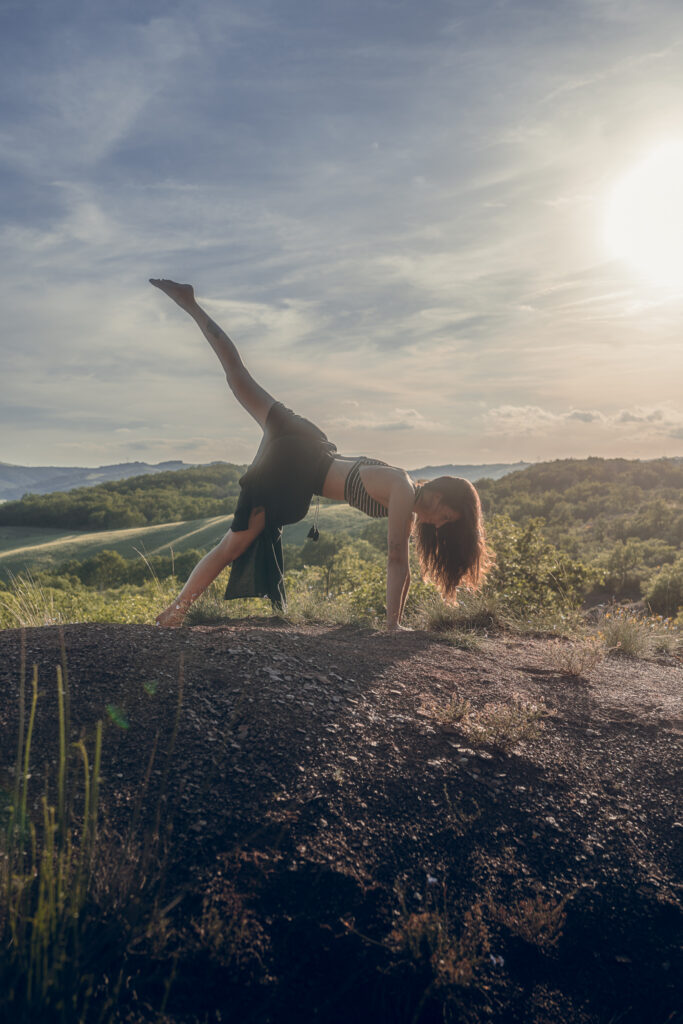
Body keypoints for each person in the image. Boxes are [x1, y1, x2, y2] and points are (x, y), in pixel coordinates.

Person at [150, 279, 490, 631]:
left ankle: (190, 304)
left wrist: (395, 624)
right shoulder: (404, 492)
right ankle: (176, 610)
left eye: (447, 522)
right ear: (436, 493)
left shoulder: (405, 495)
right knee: (236, 543)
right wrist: (392, 626)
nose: (439, 522)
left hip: (307, 446)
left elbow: (401, 567)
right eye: (445, 514)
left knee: (238, 380)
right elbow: (395, 559)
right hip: (297, 462)